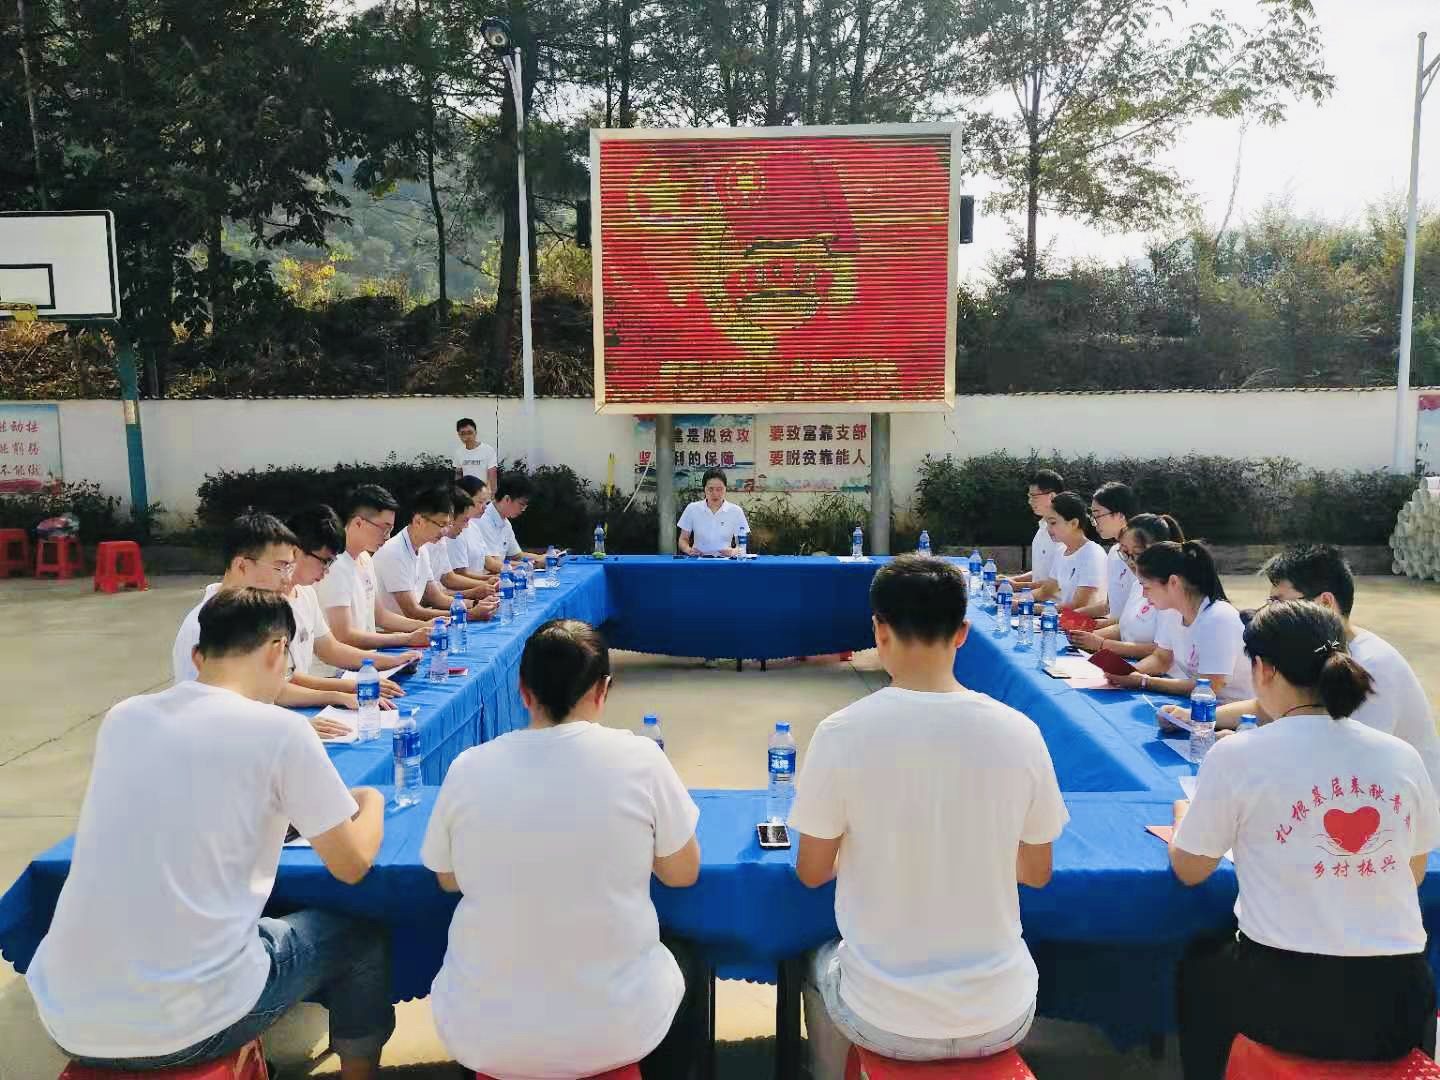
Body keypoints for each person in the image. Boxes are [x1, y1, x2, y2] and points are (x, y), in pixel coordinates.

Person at [28, 587, 394, 1078]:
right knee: (360, 937)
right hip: (189, 1025)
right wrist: (370, 801)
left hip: (66, 1015)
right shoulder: (282, 731)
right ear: (277, 650)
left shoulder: (124, 718)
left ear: (199, 657)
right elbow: (351, 865)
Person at [790, 556, 1068, 1079]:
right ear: (963, 633)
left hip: (884, 1019)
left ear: (879, 631)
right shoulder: (1020, 732)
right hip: (1001, 1016)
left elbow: (812, 871)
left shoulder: (841, 733)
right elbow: (1036, 871)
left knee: (816, 958)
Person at [420, 620, 704, 1079]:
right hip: (614, 1032)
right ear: (603, 690)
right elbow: (682, 872)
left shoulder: (468, 767)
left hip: (488, 1036)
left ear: (522, 691)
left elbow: (448, 878)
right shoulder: (641, 759)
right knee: (685, 957)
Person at [1169, 599, 1440, 1079]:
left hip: (1286, 1004)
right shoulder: (1400, 757)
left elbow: (1190, 869)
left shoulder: (1238, 755)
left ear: (1265, 670)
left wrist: (1183, 816)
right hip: (1398, 1004)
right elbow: (1413, 872)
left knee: (1200, 968)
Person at [1162, 545, 1440, 785]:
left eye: (1279, 601)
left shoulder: (1372, 668)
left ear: (1325, 602)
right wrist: (1198, 716)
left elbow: (1349, 759)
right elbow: (1270, 706)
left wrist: (1254, 749)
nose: (1271, 611)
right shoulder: (1319, 650)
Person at [171, 512, 361, 725]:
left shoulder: (250, 615)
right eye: (280, 567)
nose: (286, 579)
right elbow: (216, 710)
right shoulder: (206, 625)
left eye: (289, 567)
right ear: (241, 566)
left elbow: (279, 683)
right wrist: (286, 727)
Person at [1100, 540, 1254, 703]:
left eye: (1146, 586)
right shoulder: (1172, 612)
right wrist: (1127, 672)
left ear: (1173, 582)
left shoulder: (1218, 618)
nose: (1144, 594)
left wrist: (1144, 681)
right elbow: (1161, 658)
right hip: (1197, 704)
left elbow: (1209, 686)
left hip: (1231, 709)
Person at [286, 505, 423, 681]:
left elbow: (330, 648)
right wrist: (347, 689)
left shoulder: (306, 593)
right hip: (331, 676)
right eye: (324, 561)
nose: (326, 570)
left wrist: (393, 661)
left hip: (348, 672)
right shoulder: (270, 602)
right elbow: (285, 684)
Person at [318, 485, 436, 653]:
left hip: (367, 659)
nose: (387, 536)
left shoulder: (365, 558)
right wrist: (408, 638)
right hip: (341, 666)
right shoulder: (334, 565)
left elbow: (381, 615)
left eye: (391, 530)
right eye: (384, 528)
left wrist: (425, 626)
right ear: (358, 523)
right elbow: (344, 635)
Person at [1068, 513, 1184, 661]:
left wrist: (1102, 644)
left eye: (1136, 554)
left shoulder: (1173, 593)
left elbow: (1162, 652)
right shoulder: (1137, 584)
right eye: (1125, 553)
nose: (1130, 562)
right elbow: (1124, 627)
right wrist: (1084, 637)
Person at [372, 487, 479, 623]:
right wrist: (468, 614)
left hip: (413, 628)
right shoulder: (394, 552)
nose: (445, 531)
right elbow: (413, 611)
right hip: (393, 631)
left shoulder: (422, 549)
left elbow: (436, 597)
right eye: (442, 524)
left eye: (448, 525)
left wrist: (474, 604)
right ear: (419, 521)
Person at [1029, 491, 1106, 609]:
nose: (1048, 529)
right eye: (1047, 523)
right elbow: (1045, 592)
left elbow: (1079, 605)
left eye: (1053, 522)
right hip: (1064, 617)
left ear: (1074, 523)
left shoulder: (1092, 553)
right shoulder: (1061, 551)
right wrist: (1017, 599)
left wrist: (1031, 607)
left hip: (1083, 620)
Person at [1074, 481, 1136, 620]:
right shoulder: (1114, 552)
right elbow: (1109, 606)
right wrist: (1069, 616)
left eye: (1097, 516)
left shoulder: (1138, 556)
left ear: (1120, 515)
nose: (1094, 523)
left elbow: (1131, 620)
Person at [431, 483, 499, 602]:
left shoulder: (440, 540)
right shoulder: (425, 543)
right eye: (465, 520)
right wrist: (473, 598)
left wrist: (487, 582)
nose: (467, 526)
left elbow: (448, 577)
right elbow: (430, 598)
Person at [473, 472, 548, 575]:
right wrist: (534, 564)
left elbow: (517, 555)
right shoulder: (483, 520)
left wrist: (544, 557)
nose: (523, 509)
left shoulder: (505, 523)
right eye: (521, 504)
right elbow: (494, 565)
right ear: (507, 499)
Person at [1006, 469, 1064, 591]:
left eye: (1034, 497)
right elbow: (1040, 573)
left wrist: (1016, 586)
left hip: (1054, 602)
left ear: (1052, 496)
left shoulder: (1065, 533)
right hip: (1037, 598)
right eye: (1029, 497)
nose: (1029, 501)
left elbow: (1060, 582)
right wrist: (1011, 580)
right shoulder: (1042, 527)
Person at [677, 468, 750, 556]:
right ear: (704, 489)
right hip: (698, 559)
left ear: (725, 489)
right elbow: (683, 539)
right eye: (710, 489)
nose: (715, 493)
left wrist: (733, 552)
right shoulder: (692, 508)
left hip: (725, 560)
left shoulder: (736, 511)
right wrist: (688, 550)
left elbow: (742, 544)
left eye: (719, 489)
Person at [453, 416, 498, 491]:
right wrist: (458, 492)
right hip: (467, 494)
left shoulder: (488, 450)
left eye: (470, 433)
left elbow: (492, 473)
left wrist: (491, 493)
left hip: (484, 493)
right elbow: (458, 474)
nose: (467, 436)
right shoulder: (458, 452)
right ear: (459, 435)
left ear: (475, 433)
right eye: (463, 433)